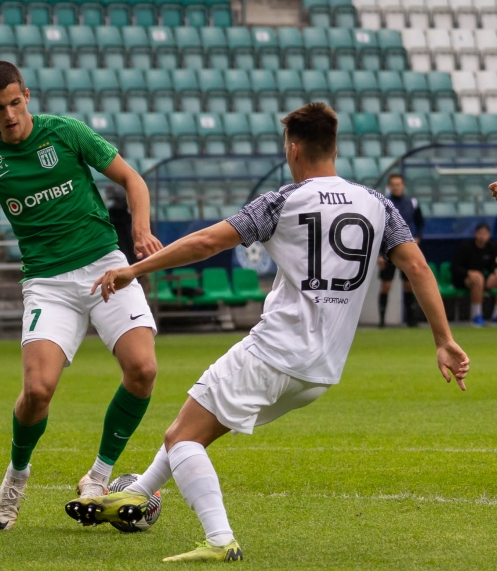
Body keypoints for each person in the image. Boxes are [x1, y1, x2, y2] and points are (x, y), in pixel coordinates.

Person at [65, 103, 469, 563]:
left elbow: (206, 242)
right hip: (321, 372)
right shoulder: (378, 204)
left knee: (183, 439)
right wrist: (443, 339)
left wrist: (133, 269)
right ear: (333, 148)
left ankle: (219, 538)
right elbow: (416, 266)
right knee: (196, 428)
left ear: (294, 149)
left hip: (274, 351)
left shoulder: (282, 201)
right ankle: (137, 494)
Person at [0, 61, 163, 531]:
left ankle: (99, 476)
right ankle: (17, 474)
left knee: (143, 370)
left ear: (27, 95)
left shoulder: (66, 133)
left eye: (15, 103)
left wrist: (140, 233)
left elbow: (133, 180)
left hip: (105, 266)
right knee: (37, 391)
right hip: (47, 282)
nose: (9, 114)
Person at [377, 174, 425, 327]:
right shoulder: (383, 203)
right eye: (393, 184)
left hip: (407, 248)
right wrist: (378, 254)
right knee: (386, 285)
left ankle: (410, 319)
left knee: (408, 284)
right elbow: (377, 227)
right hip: (388, 249)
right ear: (389, 186)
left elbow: (420, 222)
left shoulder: (412, 202)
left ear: (403, 185)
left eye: (398, 184)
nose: (396, 187)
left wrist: (417, 237)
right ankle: (382, 321)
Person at [451, 222, 497, 326]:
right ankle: (476, 315)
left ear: (489, 235)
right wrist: (469, 272)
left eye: (485, 234)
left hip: (484, 278)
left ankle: (495, 315)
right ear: (475, 234)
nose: (482, 237)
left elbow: (492, 266)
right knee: (478, 279)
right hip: (463, 279)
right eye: (480, 234)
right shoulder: (466, 247)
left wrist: (495, 271)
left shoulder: (492, 247)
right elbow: (455, 267)